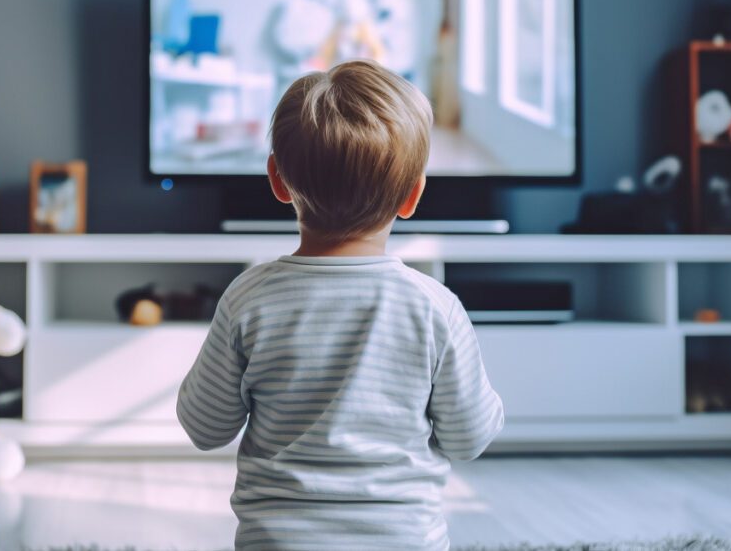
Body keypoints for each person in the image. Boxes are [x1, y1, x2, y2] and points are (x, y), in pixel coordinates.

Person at [177, 59, 504, 550]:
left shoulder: (249, 299)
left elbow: (205, 426)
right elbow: (469, 438)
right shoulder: (436, 307)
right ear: (413, 195)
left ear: (277, 181)